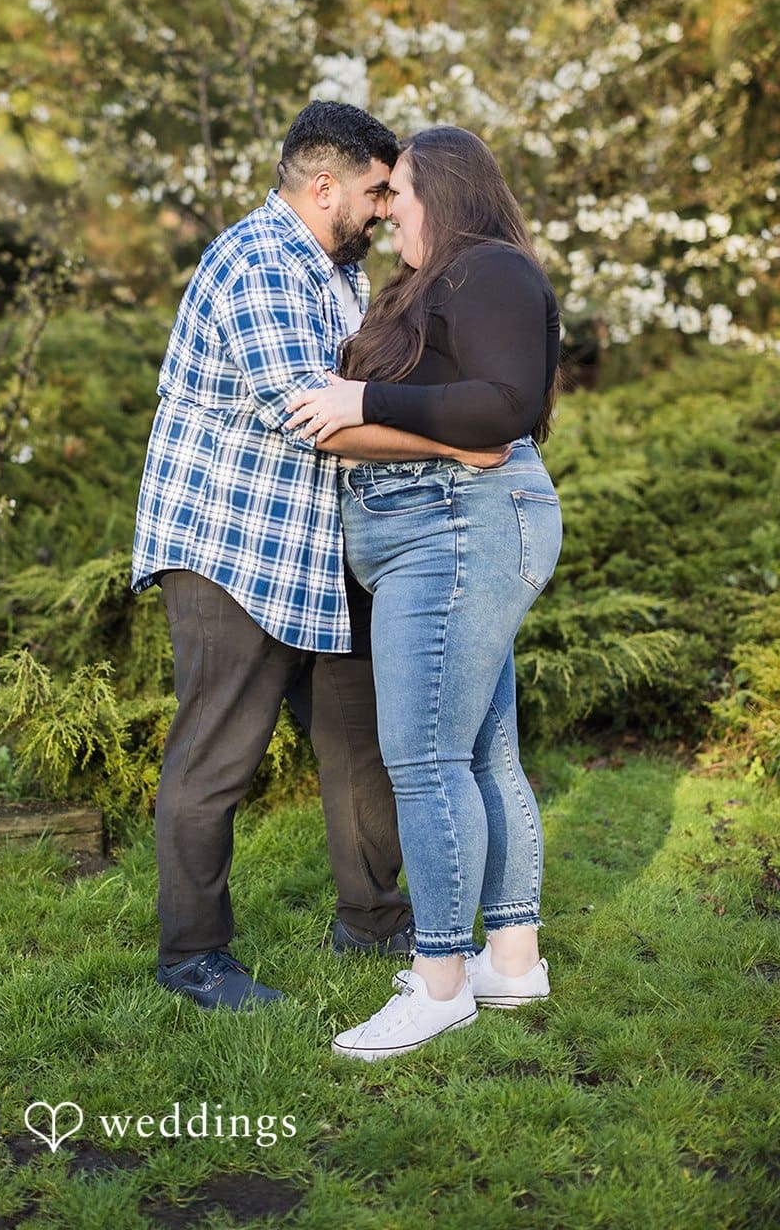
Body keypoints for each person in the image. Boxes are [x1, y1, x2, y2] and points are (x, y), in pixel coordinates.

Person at [131, 102, 507, 1011]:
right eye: (379, 190)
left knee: (360, 748)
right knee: (217, 757)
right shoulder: (260, 264)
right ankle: (193, 957)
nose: (387, 208)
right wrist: (457, 443)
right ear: (323, 184)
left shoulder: (333, 265)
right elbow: (319, 420)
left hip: (325, 552)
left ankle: (372, 919)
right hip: (236, 548)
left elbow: (370, 388)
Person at [286, 124, 562, 1059]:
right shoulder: (437, 283)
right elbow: (466, 419)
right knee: (482, 748)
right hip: (443, 522)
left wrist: (364, 403)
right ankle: (511, 960)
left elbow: (502, 407)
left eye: (398, 190)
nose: (386, 207)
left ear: (441, 190)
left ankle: (440, 979)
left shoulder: (492, 271)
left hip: (459, 527)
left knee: (425, 758)